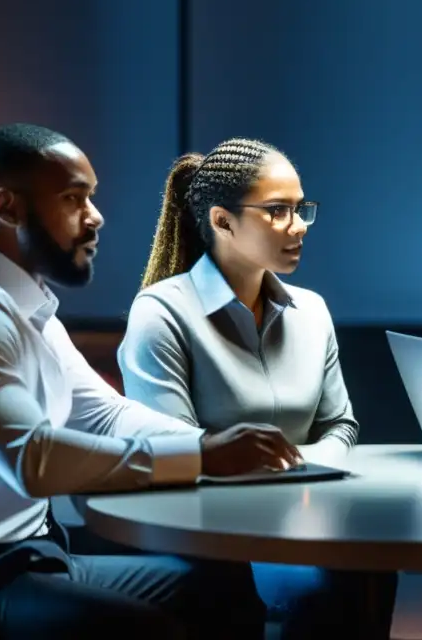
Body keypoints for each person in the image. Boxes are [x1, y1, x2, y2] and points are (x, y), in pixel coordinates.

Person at [0, 123, 305, 639]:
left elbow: (104, 414)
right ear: (9, 207)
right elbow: (32, 460)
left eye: (91, 197)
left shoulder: (29, 311)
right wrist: (203, 458)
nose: (96, 216)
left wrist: (210, 444)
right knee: (145, 630)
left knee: (222, 586)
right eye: (72, 198)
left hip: (33, 559)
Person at [117, 138, 398, 639]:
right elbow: (174, 448)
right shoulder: (160, 313)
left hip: (307, 518)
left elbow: (341, 423)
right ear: (223, 221)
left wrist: (315, 473)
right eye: (278, 211)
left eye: (301, 209)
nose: (299, 226)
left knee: (370, 566)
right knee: (325, 588)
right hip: (214, 533)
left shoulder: (311, 311)